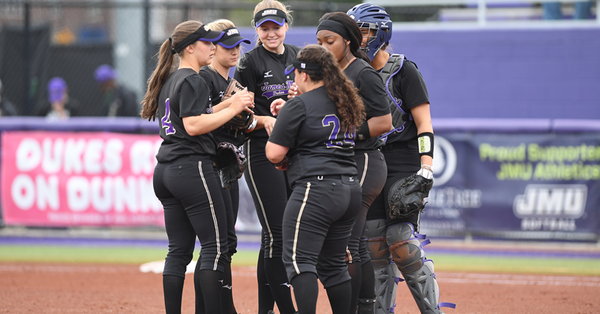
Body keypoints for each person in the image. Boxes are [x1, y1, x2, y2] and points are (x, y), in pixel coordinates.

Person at [139, 20, 254, 314]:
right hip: (191, 169)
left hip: (165, 170)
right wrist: (236, 107)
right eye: (207, 42)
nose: (213, 47)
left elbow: (194, 114)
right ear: (191, 47)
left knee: (178, 252)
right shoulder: (193, 79)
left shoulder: (172, 78)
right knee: (216, 247)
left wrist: (229, 105)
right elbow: (193, 125)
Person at [347, 3, 455, 314]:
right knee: (373, 246)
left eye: (364, 31)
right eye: (355, 33)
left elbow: (424, 123)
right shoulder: (353, 72)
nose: (359, 39)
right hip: (368, 160)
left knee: (401, 241)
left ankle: (431, 310)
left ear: (381, 32)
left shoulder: (403, 70)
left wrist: (426, 166)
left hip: (403, 158)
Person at [266, 44, 365, 314]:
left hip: (317, 189)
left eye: (295, 73)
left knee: (299, 262)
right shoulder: (344, 100)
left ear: (304, 75)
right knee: (333, 266)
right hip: (349, 189)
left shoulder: (298, 105)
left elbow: (274, 154)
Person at [315, 12, 392, 314]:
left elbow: (384, 122)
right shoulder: (328, 73)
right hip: (344, 161)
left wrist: (348, 134)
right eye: (319, 41)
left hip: (364, 161)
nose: (323, 47)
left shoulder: (363, 72)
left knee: (345, 242)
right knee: (356, 243)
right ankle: (365, 308)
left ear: (348, 41)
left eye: (329, 41)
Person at [233, 1, 301, 313]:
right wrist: (264, 119)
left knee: (271, 236)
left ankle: (265, 310)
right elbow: (240, 114)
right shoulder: (248, 62)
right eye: (264, 28)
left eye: (276, 26)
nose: (271, 33)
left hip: (292, 151)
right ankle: (288, 309)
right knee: (279, 233)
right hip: (261, 150)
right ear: (257, 30)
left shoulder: (299, 56)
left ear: (286, 26)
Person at [198, 19, 252, 314]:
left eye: (238, 46)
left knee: (225, 241)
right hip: (209, 165)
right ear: (213, 48)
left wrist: (254, 118)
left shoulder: (235, 83)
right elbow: (195, 116)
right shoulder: (204, 78)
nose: (235, 52)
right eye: (228, 46)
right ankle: (218, 307)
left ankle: (220, 305)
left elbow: (244, 125)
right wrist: (233, 104)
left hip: (229, 167)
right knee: (215, 244)